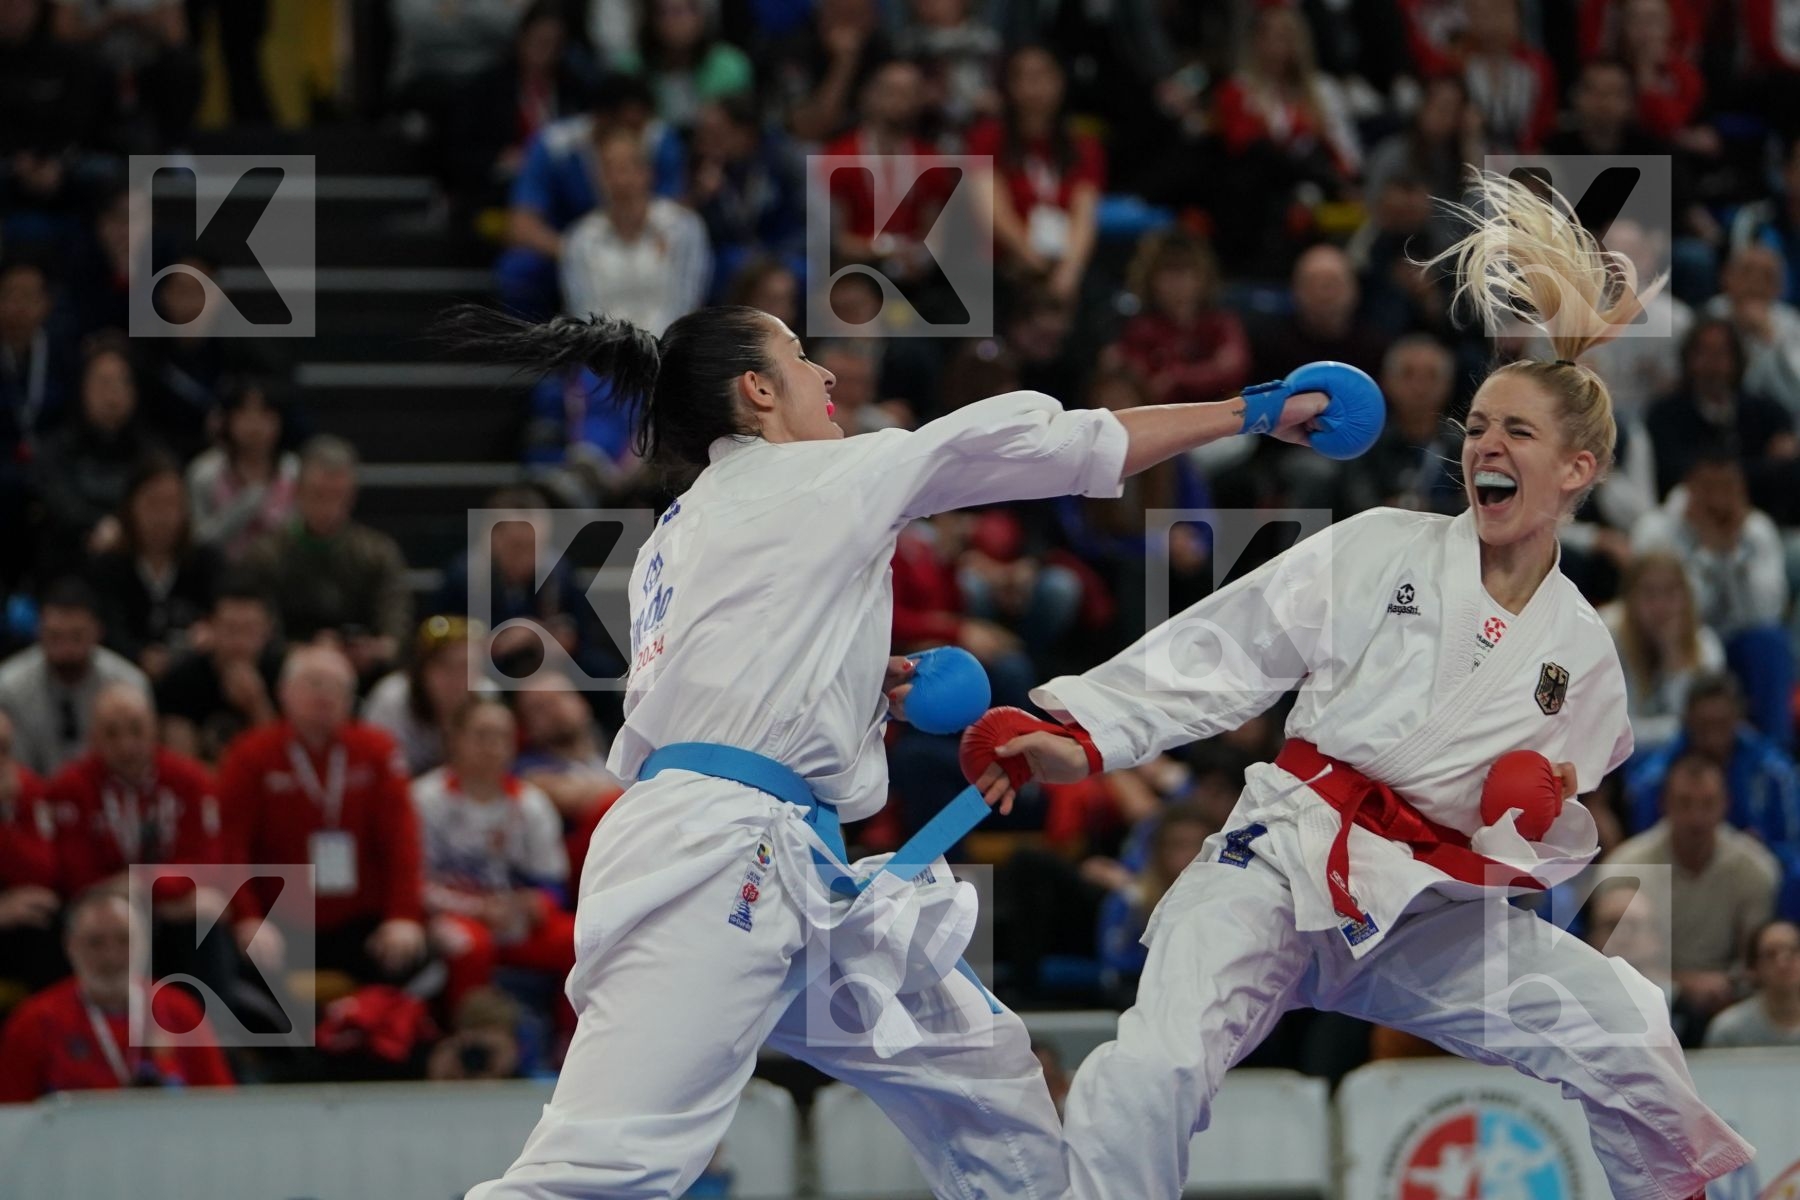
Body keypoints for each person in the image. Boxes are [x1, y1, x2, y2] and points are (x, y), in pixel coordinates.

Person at [443, 293, 1352, 1199]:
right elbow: (1064, 445)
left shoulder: (679, 534)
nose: (827, 372)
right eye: (801, 356)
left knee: (991, 1087)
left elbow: (727, 684)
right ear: (758, 390)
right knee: (604, 1170)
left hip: (791, 860)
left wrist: (864, 687)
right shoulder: (827, 478)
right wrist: (1251, 411)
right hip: (718, 862)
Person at [972, 170, 1753, 1200]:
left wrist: (1533, 815)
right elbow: (1227, 647)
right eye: (1477, 426)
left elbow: (1554, 828)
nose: (1485, 445)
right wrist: (1085, 730)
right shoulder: (1382, 545)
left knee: (1619, 1020)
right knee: (1150, 1068)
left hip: (1428, 907)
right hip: (1284, 854)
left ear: (1578, 468)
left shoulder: (1588, 656)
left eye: (1517, 432)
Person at [0, 883, 233, 1101]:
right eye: (95, 942)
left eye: (124, 940)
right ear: (70, 946)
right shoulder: (34, 1021)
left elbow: (219, 1107)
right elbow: (10, 1117)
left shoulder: (181, 1013)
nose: (111, 956)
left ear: (143, 943)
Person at [1609, 755, 1781, 1024]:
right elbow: (1615, 960)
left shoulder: (1756, 871)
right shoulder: (1624, 870)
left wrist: (1725, 985)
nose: (1696, 817)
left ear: (1726, 805)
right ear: (1663, 804)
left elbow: (1754, 963)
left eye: (1708, 804)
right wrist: (1683, 985)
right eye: (1684, 803)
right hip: (1648, 995)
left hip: (1730, 998)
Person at [0, 576, 149, 776]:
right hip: (34, 796)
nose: (66, 650)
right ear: (39, 631)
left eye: (76, 637)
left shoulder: (129, 684)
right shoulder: (8, 686)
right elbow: (12, 768)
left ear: (98, 632)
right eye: (55, 637)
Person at [1703, 918, 1800, 1047]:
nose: (1783, 963)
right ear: (1753, 968)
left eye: (1793, 951)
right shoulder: (1729, 1030)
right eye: (1770, 954)